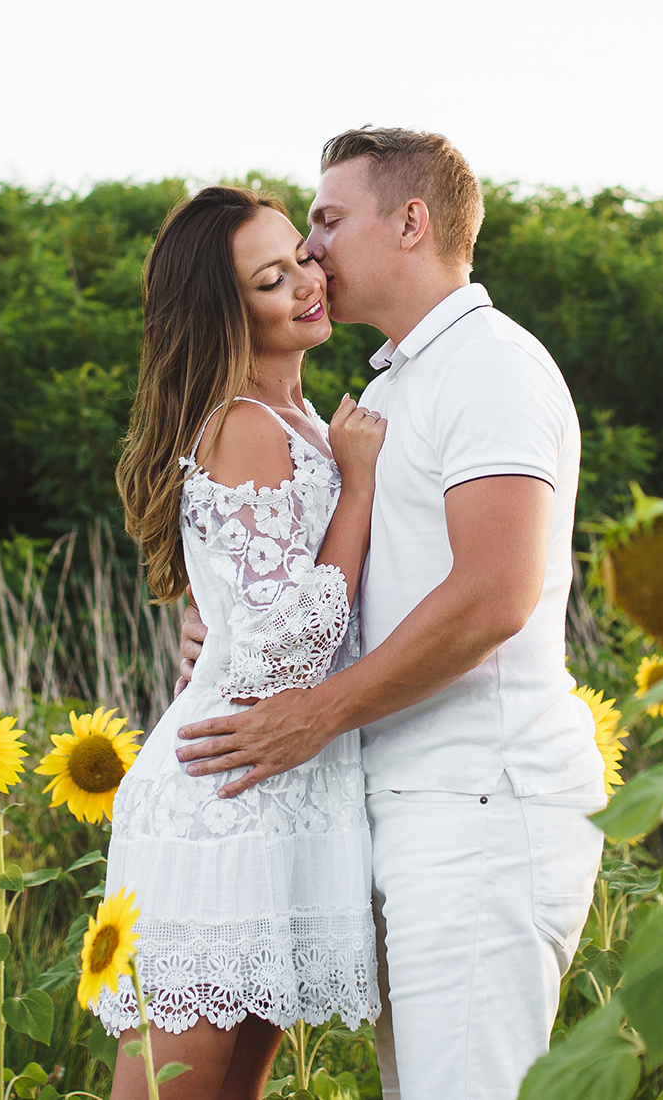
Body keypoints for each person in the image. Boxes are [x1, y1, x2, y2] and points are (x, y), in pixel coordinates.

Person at [175, 128, 603, 1100]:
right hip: (410, 803)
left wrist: (314, 714)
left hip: (482, 803)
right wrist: (228, 632)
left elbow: (494, 593)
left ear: (411, 222)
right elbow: (351, 581)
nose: (311, 247)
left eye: (328, 219)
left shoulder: (491, 366)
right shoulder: (389, 383)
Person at [99, 184, 391, 1099]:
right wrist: (358, 487)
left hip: (282, 795)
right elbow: (285, 657)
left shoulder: (302, 421)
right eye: (271, 280)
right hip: (223, 801)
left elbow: (248, 605)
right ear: (227, 313)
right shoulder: (244, 426)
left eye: (300, 257)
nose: (307, 282)